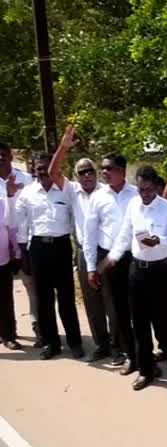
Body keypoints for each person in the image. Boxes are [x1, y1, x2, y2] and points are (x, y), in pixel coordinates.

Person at [103, 165, 167, 394]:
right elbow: (124, 234)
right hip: (138, 273)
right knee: (139, 325)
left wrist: (159, 240)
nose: (145, 194)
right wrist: (113, 257)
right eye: (141, 189)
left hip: (163, 273)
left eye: (149, 190)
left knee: (166, 326)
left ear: (156, 187)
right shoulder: (133, 205)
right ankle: (146, 371)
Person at [13, 128, 84, 360]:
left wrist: (77, 248)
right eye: (39, 169)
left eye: (47, 168)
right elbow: (19, 226)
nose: (43, 173)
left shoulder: (66, 189)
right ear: (33, 170)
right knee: (43, 300)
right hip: (38, 250)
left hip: (62, 247)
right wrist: (23, 255)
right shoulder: (27, 194)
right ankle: (51, 343)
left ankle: (74, 343)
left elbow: (75, 221)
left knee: (66, 298)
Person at [84, 152, 139, 371]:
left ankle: (144, 351)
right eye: (103, 168)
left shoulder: (137, 194)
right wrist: (90, 268)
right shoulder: (97, 197)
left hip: (134, 258)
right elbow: (89, 235)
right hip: (110, 260)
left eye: (109, 168)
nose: (104, 172)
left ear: (122, 171)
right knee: (118, 309)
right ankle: (128, 353)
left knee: (138, 309)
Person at [68, 158, 112, 362]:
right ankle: (101, 344)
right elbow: (52, 174)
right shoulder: (72, 193)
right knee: (92, 302)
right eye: (82, 172)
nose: (87, 175)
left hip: (104, 252)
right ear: (76, 176)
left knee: (112, 301)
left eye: (90, 171)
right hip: (84, 253)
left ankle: (118, 345)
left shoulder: (107, 192)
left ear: (96, 172)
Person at [1, 143, 39, 342]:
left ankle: (39, 328)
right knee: (3, 293)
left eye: (3, 154)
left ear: (9, 155)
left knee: (32, 286)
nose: (0, 158)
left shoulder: (25, 179)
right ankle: (7, 334)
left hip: (24, 242)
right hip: (1, 247)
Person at [0, 188, 19, 349]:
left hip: (3, 260)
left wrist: (17, 252)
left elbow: (11, 228)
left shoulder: (2, 203)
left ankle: (8, 336)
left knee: (5, 300)